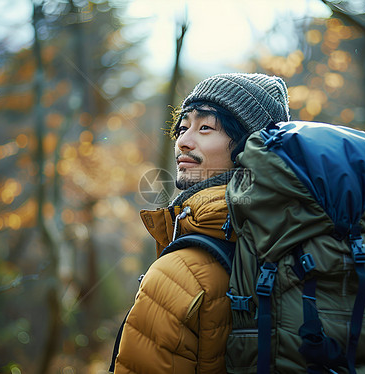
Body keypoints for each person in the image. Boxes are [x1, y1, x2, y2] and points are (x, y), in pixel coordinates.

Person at [112, 73, 290, 374]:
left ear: (250, 148)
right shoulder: (297, 236)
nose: (183, 141)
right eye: (183, 127)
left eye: (205, 127)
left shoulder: (180, 272)